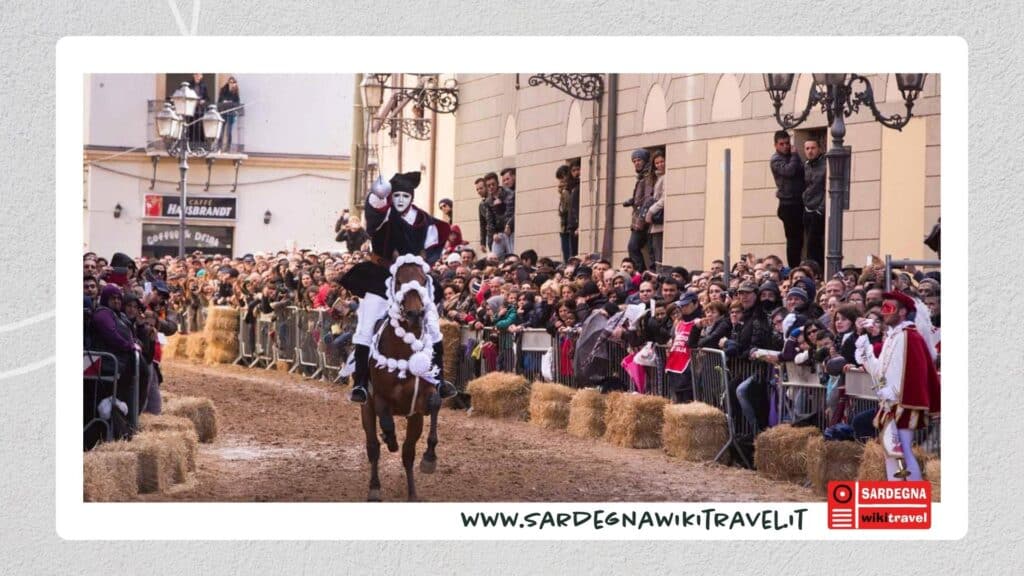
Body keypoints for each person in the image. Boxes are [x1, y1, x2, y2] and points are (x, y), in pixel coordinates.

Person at [339, 172, 457, 404]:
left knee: (433, 325)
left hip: (413, 278)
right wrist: (378, 194)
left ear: (411, 198)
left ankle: (439, 380)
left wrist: (421, 262)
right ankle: (361, 383)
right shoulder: (385, 213)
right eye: (397, 195)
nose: (401, 200)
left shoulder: (423, 220)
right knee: (366, 325)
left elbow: (432, 247)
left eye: (405, 196)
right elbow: (375, 213)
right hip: (381, 276)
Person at [854, 291, 940, 481]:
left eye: (889, 308)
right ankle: (897, 493)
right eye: (883, 308)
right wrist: (865, 344)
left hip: (903, 403)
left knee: (903, 452)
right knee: (891, 453)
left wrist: (894, 393)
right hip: (890, 403)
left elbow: (915, 373)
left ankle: (912, 495)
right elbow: (877, 370)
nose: (884, 312)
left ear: (902, 312)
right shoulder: (893, 337)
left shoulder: (910, 336)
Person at [770, 130, 805, 268]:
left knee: (799, 239)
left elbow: (801, 171)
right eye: (781, 144)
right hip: (787, 204)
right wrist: (795, 155)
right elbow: (789, 171)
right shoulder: (776, 159)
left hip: (798, 202)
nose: (785, 146)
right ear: (776, 145)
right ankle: (794, 267)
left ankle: (800, 265)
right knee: (792, 240)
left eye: (787, 143)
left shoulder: (792, 156)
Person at [623, 148, 654, 273]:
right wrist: (632, 200)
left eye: (639, 160)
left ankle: (640, 272)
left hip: (643, 218)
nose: (636, 163)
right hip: (640, 216)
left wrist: (642, 215)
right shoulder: (642, 176)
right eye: (634, 161)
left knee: (633, 246)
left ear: (646, 160)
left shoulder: (648, 176)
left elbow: (649, 197)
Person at [802, 139, 826, 269]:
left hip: (819, 209)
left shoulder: (825, 165)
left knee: (814, 243)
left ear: (819, 149)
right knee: (809, 243)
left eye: (813, 148)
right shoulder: (806, 165)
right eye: (807, 148)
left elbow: (826, 188)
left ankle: (816, 269)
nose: (810, 151)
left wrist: (820, 209)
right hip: (807, 208)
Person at [645, 150, 667, 268]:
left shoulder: (665, 177)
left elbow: (664, 198)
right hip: (655, 223)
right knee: (654, 252)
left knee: (659, 254)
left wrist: (650, 211)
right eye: (657, 163)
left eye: (662, 161)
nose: (660, 165)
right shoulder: (658, 177)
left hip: (659, 221)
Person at [557, 164, 580, 263]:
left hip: (568, 226)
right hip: (565, 227)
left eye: (562, 179)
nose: (561, 182)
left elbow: (565, 209)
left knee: (569, 256)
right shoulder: (566, 190)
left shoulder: (567, 191)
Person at [217, 76, 241, 151]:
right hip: (223, 112)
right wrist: (224, 101)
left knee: (229, 131)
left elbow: (237, 103)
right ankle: (219, 147)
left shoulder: (236, 91)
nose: (232, 84)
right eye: (230, 82)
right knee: (221, 130)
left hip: (231, 113)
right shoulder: (223, 89)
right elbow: (219, 101)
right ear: (228, 82)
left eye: (233, 82)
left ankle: (228, 148)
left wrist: (231, 103)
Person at [476, 177, 494, 253]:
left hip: (499, 234)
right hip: (489, 237)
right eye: (477, 189)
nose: (479, 191)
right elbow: (482, 225)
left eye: (481, 188)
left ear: (486, 187)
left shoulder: (494, 199)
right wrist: (482, 243)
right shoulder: (481, 205)